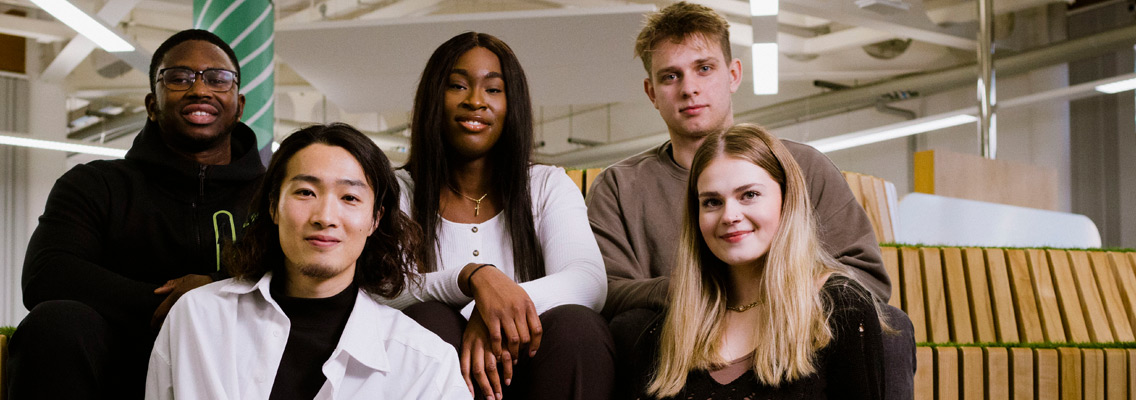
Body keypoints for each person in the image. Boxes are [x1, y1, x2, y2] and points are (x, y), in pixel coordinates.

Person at [587, 2, 912, 396]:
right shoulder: (619, 186)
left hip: (794, 335)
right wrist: (699, 293)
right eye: (670, 76)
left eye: (704, 68)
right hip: (678, 344)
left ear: (733, 74)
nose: (689, 88)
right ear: (651, 92)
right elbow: (604, 290)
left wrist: (768, 298)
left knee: (892, 325)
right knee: (630, 328)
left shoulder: (803, 166)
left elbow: (866, 278)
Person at [9, 29, 263, 399]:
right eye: (179, 78)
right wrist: (172, 304)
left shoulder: (274, 194)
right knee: (56, 321)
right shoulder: (96, 184)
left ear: (238, 105)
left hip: (244, 365)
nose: (199, 89)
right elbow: (47, 273)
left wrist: (211, 288)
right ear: (151, 105)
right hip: (122, 368)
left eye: (217, 78)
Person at [146, 123, 471, 400]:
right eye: (305, 192)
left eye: (350, 197)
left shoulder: (424, 363)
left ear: (375, 219)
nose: (325, 217)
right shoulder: (198, 319)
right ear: (273, 206)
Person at [384, 32, 611, 399]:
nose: (475, 101)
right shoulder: (397, 191)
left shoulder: (546, 185)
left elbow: (588, 282)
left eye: (493, 89)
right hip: (449, 375)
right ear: (432, 99)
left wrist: (492, 307)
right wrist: (471, 279)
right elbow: (383, 290)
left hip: (538, 369)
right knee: (429, 320)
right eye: (457, 86)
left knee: (577, 326)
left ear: (512, 104)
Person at [618, 124, 886, 399]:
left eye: (749, 195)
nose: (729, 216)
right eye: (712, 202)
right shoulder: (668, 326)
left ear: (787, 199)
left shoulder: (841, 307)